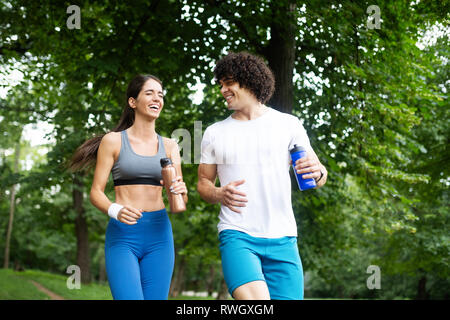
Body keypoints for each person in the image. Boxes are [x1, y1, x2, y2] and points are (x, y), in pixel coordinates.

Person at [197, 52, 327, 300]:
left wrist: (318, 172)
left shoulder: (288, 124)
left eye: (228, 82)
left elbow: (319, 174)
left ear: (249, 80)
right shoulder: (215, 133)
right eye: (221, 84)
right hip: (237, 235)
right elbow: (203, 184)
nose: (223, 89)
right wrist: (218, 193)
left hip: (284, 238)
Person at [70, 74, 188, 300]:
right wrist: (116, 210)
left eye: (160, 94)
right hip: (123, 236)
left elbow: (180, 201)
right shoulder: (113, 141)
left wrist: (180, 192)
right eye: (149, 93)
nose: (157, 98)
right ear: (133, 102)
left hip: (160, 235)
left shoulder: (171, 145)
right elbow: (95, 192)